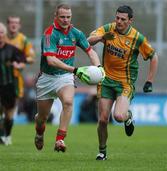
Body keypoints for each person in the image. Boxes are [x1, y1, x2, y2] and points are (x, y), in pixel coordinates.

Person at [88, 5, 158, 160]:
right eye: (117, 18)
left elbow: (154, 56)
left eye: (123, 19)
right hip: (106, 80)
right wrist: (101, 38)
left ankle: (128, 117)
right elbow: (88, 41)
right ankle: (102, 152)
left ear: (130, 21)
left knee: (118, 116)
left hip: (125, 83)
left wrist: (149, 81)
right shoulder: (108, 29)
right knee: (103, 119)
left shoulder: (137, 38)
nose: (118, 21)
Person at [34, 4, 104, 152]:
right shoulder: (49, 34)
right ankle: (39, 133)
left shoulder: (76, 33)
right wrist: (75, 69)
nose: (66, 20)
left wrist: (99, 69)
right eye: (62, 17)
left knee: (68, 102)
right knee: (42, 118)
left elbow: (91, 52)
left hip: (65, 77)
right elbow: (51, 60)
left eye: (68, 17)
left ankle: (60, 139)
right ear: (56, 17)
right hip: (47, 78)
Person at [0, 22, 25, 145]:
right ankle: (1, 136)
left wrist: (18, 65)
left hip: (9, 85)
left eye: (1, 32)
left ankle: (7, 135)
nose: (0, 35)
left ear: (5, 34)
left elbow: (23, 62)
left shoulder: (12, 50)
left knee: (8, 114)